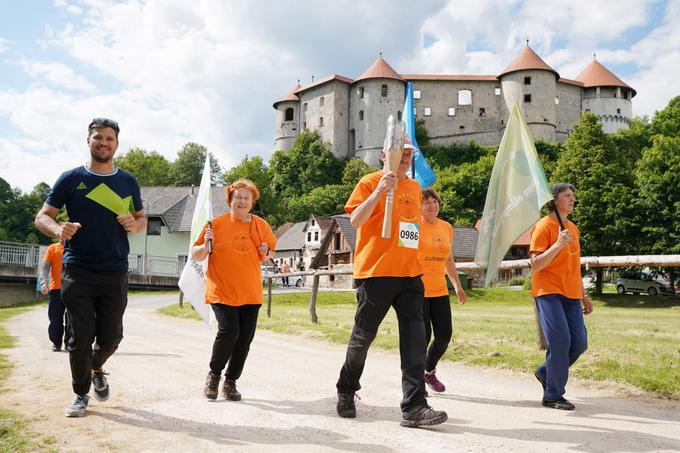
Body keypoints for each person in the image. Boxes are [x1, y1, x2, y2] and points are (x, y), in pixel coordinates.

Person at [35, 118, 146, 417]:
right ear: (88, 141)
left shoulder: (127, 181)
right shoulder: (70, 179)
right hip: (77, 269)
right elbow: (42, 216)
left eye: (110, 138)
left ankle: (96, 366)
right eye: (98, 137)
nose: (104, 142)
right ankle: (81, 393)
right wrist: (58, 229)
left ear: (116, 144)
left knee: (112, 337)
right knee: (79, 337)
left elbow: (141, 218)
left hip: (114, 269)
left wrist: (134, 224)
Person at [335, 138, 447, 428]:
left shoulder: (413, 187)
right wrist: (380, 191)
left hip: (410, 274)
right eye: (401, 153)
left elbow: (410, 229)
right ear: (384, 154)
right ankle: (346, 389)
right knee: (363, 338)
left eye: (410, 154)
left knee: (415, 342)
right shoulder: (369, 181)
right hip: (375, 273)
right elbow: (357, 221)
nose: (406, 158)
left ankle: (414, 406)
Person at [193, 179, 276, 402]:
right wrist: (203, 244)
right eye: (237, 197)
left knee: (244, 338)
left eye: (246, 198)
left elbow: (269, 254)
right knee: (229, 332)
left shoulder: (260, 225)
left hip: (250, 292)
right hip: (222, 290)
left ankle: (230, 382)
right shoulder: (215, 225)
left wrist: (266, 250)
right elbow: (196, 255)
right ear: (230, 199)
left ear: (252, 202)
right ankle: (214, 375)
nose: (241, 201)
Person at [530, 183, 592, 411]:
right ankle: (553, 395)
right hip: (548, 292)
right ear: (554, 200)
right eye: (568, 196)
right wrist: (557, 244)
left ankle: (545, 372)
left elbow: (574, 266)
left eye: (573, 196)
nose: (573, 199)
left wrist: (584, 295)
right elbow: (535, 265)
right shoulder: (543, 226)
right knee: (560, 341)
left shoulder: (573, 229)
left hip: (572, 293)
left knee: (579, 343)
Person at [417, 189, 467, 393]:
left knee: (444, 335)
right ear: (419, 206)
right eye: (427, 202)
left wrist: (457, 285)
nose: (432, 205)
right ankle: (416, 380)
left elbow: (448, 259)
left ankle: (428, 371)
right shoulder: (413, 226)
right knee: (423, 336)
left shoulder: (446, 227)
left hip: (439, 290)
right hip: (417, 290)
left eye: (435, 201)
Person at [40, 240, 71, 352]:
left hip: (73, 289)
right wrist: (43, 283)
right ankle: (56, 342)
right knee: (55, 318)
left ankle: (69, 342)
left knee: (72, 318)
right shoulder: (52, 248)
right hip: (56, 289)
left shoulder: (76, 247)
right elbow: (44, 268)